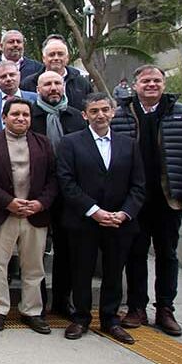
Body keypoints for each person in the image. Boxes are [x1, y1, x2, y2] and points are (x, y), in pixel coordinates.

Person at [114, 65, 182, 337]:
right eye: (146, 81)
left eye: (157, 80)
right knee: (135, 254)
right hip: (133, 201)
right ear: (135, 85)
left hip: (169, 199)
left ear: (164, 84)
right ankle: (136, 307)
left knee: (167, 254)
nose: (151, 85)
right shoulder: (120, 115)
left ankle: (166, 309)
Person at [56, 93, 145, 344]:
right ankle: (81, 318)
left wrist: (124, 213)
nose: (100, 115)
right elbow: (67, 181)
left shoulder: (129, 144)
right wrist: (94, 211)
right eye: (94, 111)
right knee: (81, 271)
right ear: (84, 115)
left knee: (114, 272)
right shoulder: (70, 143)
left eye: (105, 110)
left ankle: (110, 319)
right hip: (84, 220)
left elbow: (138, 185)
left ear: (113, 112)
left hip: (119, 221)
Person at [0, 98, 57, 335]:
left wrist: (40, 204)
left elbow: (53, 178)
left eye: (25, 115)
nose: (21, 118)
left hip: (34, 214)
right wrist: (8, 202)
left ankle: (31, 311)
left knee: (33, 266)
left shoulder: (43, 143)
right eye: (15, 114)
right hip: (2, 214)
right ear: (4, 117)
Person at [30, 69, 87, 318]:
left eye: (57, 83)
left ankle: (63, 301)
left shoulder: (76, 118)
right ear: (38, 89)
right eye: (47, 84)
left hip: (70, 195)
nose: (53, 88)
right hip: (38, 193)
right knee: (36, 252)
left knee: (67, 251)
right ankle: (38, 302)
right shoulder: (29, 117)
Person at [22, 36, 93, 110]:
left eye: (60, 54)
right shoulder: (28, 83)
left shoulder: (81, 83)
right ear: (44, 58)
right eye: (52, 54)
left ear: (67, 58)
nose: (56, 58)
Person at [0, 61, 39, 135]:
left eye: (12, 75)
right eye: (3, 76)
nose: (8, 79)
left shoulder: (35, 99)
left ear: (19, 75)